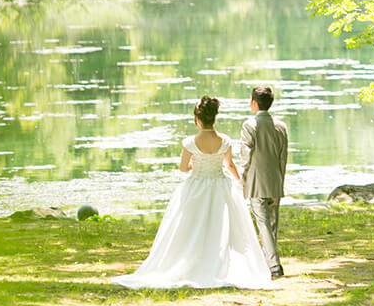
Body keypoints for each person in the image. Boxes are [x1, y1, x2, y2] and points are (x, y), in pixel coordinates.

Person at [112, 95, 272, 289]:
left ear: (198, 120)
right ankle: (220, 262)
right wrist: (239, 181)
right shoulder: (225, 141)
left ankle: (191, 261)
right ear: (215, 118)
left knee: (190, 226)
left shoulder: (190, 142)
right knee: (222, 227)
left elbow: (183, 168)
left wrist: (192, 164)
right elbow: (229, 165)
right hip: (220, 185)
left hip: (197, 186)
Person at [240, 84, 288, 279]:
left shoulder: (249, 125)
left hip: (257, 182)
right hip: (275, 179)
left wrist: (242, 179)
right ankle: (269, 261)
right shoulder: (281, 126)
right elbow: (283, 157)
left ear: (253, 103)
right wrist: (280, 179)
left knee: (263, 223)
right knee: (272, 223)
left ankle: (274, 265)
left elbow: (246, 157)